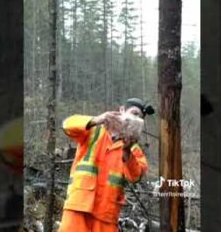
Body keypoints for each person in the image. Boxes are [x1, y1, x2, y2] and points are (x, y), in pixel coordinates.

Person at [58, 98, 154, 232]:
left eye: (139, 117)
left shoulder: (134, 149)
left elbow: (136, 176)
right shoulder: (95, 130)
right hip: (79, 206)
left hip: (106, 215)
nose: (135, 118)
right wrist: (97, 119)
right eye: (134, 113)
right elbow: (67, 125)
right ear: (121, 110)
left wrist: (127, 150)